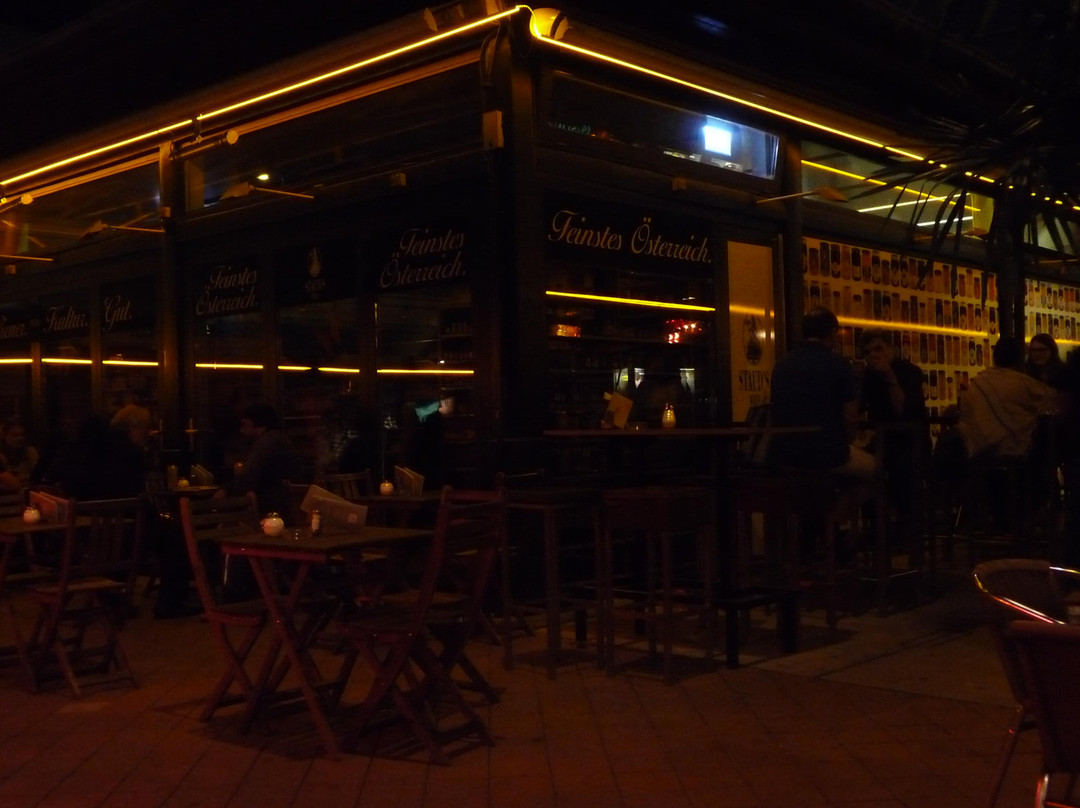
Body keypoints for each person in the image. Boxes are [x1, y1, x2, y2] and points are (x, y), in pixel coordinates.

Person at [770, 307, 877, 478]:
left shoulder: (782, 365)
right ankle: (844, 498)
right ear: (832, 333)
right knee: (873, 467)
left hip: (786, 455)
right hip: (827, 456)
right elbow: (850, 416)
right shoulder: (839, 365)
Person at [858, 329, 930, 551]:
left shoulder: (909, 372)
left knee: (901, 468)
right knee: (863, 470)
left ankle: (904, 528)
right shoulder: (868, 377)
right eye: (868, 352)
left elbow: (905, 411)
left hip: (910, 440)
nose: (873, 355)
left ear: (892, 349)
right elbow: (858, 407)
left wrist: (889, 377)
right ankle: (875, 526)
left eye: (878, 349)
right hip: (883, 439)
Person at [959, 336, 1055, 461]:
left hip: (978, 457)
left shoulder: (977, 383)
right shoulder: (1025, 384)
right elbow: (1052, 402)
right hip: (1015, 457)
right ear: (1020, 359)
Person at [221, 403, 305, 518]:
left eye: (245, 425)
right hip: (287, 504)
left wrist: (226, 491)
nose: (241, 430)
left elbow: (248, 476)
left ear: (260, 424)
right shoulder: (278, 438)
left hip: (274, 508)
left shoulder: (267, 441)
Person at [0, 417, 40, 487]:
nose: (19, 438)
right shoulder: (1, 455)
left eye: (22, 435)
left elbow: (37, 476)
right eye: (15, 435)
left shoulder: (30, 452)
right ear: (4, 436)